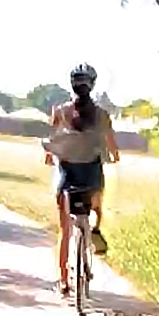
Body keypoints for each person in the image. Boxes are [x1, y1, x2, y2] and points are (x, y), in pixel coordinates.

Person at [42, 63, 120, 295]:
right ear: (92, 85)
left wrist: (49, 157)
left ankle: (64, 281)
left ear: (72, 85)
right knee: (96, 204)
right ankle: (95, 227)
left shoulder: (60, 112)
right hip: (91, 176)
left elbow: (54, 140)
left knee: (65, 230)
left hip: (66, 176)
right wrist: (114, 156)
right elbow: (112, 146)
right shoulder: (103, 116)